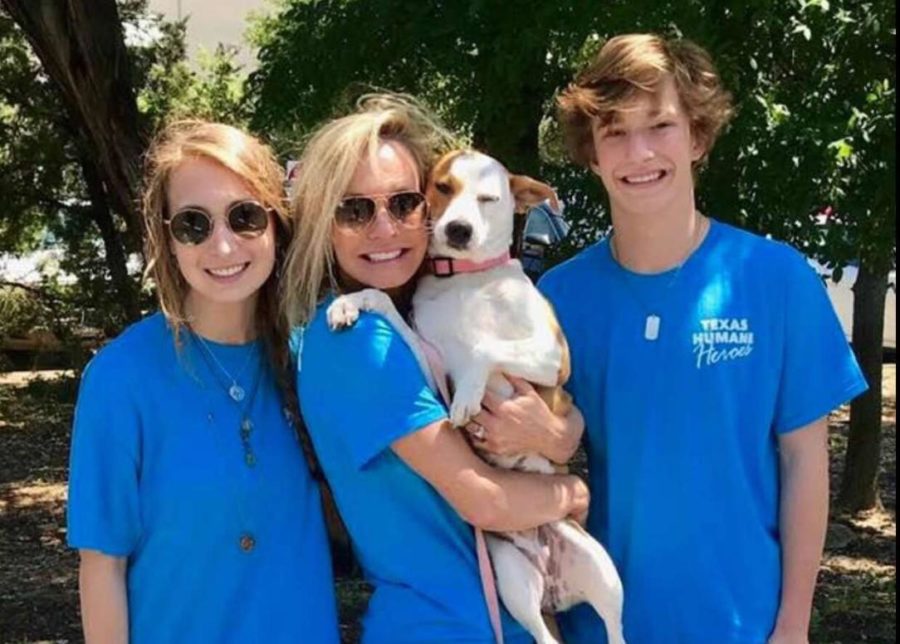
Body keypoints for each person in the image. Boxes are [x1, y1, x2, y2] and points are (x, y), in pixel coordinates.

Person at [537, 33, 869, 644]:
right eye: (614, 131)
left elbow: (804, 461)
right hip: (605, 625)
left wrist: (793, 623)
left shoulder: (775, 279)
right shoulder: (559, 299)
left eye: (660, 125)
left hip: (746, 621)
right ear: (591, 154)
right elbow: (538, 462)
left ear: (697, 136)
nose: (639, 152)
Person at [281, 93, 589, 643]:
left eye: (402, 203)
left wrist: (562, 433)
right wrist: (574, 493)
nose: (384, 228)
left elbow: (538, 404)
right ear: (322, 222)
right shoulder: (355, 339)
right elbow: (486, 499)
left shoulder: (414, 315)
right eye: (354, 209)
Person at [66, 120, 339, 643]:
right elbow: (102, 567)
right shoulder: (122, 377)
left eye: (244, 217)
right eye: (194, 224)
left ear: (276, 225)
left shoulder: (317, 359)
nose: (222, 244)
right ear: (166, 238)